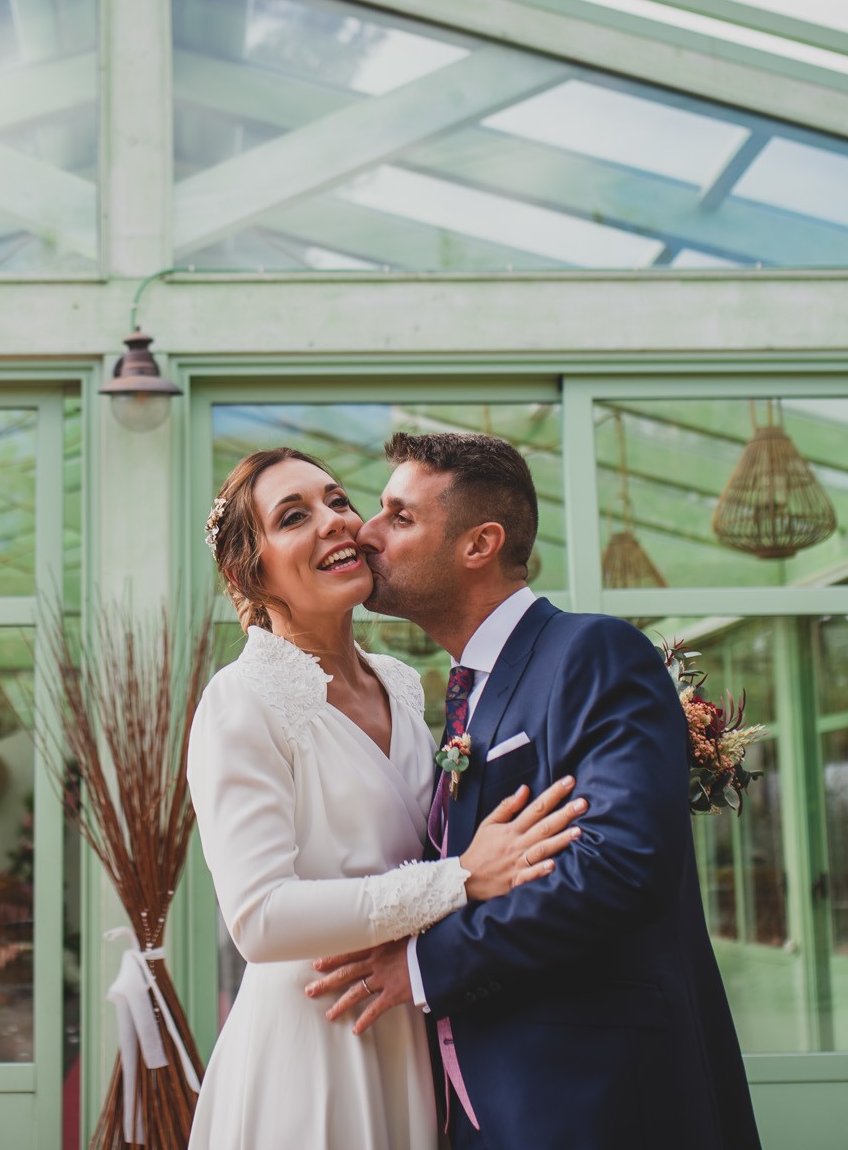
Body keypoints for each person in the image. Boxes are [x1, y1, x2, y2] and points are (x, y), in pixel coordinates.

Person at [306, 431, 762, 1149]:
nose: (365, 532)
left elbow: (619, 865)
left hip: (595, 1104)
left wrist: (427, 963)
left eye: (399, 516)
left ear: (479, 543)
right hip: (480, 1113)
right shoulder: (459, 696)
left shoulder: (594, 655)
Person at [186, 447, 585, 1150]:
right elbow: (260, 917)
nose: (336, 522)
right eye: (293, 516)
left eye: (338, 500)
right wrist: (460, 877)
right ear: (251, 570)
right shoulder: (239, 701)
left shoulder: (402, 682)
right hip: (312, 1045)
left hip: (412, 1022)